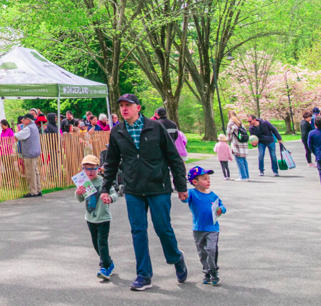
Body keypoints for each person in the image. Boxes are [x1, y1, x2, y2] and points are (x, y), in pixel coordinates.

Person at [100, 93, 189, 291]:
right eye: (121, 106)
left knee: (162, 228)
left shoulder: (156, 127)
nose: (124, 108)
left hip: (158, 187)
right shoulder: (117, 131)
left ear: (138, 108)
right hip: (133, 189)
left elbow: (174, 157)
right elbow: (111, 162)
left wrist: (181, 186)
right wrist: (105, 188)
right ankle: (143, 275)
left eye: (128, 105)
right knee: (138, 231)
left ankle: (176, 257)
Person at [76, 154, 117, 280]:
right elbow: (80, 199)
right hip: (90, 218)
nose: (89, 171)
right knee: (96, 244)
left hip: (103, 218)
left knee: (102, 242)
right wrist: (78, 193)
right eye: (86, 169)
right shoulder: (83, 182)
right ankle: (108, 262)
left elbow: (114, 194)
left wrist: (110, 198)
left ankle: (104, 267)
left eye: (92, 169)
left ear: (98, 169)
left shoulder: (104, 182)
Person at [185, 166, 226, 286]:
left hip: (212, 228)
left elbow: (222, 205)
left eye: (209, 178)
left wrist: (221, 209)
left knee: (211, 249)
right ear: (195, 182)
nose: (208, 181)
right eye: (204, 179)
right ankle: (206, 271)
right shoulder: (192, 193)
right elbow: (185, 199)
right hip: (198, 229)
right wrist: (183, 196)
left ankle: (214, 271)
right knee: (202, 252)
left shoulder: (213, 195)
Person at [14, 114, 43, 197]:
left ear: (28, 120)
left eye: (24, 119)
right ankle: (38, 189)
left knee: (31, 173)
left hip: (29, 153)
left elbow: (18, 136)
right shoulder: (34, 126)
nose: (23, 120)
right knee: (36, 172)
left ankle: (33, 191)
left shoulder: (28, 128)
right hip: (35, 152)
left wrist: (15, 133)